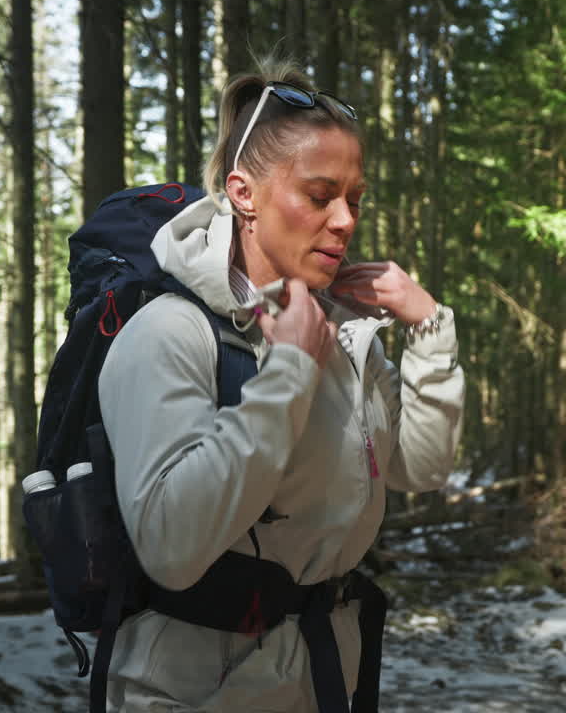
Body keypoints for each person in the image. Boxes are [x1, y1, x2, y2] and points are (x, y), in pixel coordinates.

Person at [96, 58, 465, 712]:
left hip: (321, 680)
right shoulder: (171, 333)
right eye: (321, 195)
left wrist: (429, 330)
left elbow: (419, 466)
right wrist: (291, 370)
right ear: (244, 194)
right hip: (192, 693)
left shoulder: (343, 334)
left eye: (354, 198)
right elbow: (171, 545)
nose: (347, 220)